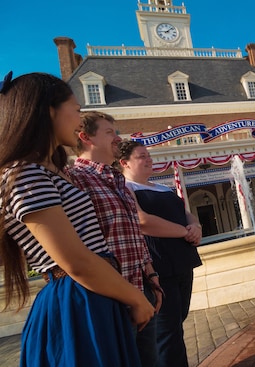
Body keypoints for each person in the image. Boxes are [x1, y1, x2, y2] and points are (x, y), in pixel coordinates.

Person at [0, 72, 154, 366]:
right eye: (77, 110)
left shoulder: (47, 171)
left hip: (92, 293)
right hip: (78, 300)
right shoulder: (26, 174)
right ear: (49, 111)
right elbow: (75, 261)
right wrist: (136, 298)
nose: (81, 121)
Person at [68, 111, 200, 366]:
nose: (117, 138)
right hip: (118, 290)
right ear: (85, 138)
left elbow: (131, 232)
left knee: (163, 338)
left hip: (147, 281)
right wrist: (185, 233)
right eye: (110, 133)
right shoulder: (77, 179)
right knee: (164, 338)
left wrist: (150, 276)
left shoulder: (115, 180)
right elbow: (140, 223)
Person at [118, 140, 203, 367]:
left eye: (148, 155)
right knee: (167, 332)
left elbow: (187, 213)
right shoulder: (126, 188)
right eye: (141, 156)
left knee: (178, 321)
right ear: (124, 163)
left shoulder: (162, 187)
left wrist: (196, 227)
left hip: (183, 262)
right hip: (159, 266)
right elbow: (143, 221)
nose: (148, 159)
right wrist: (184, 232)